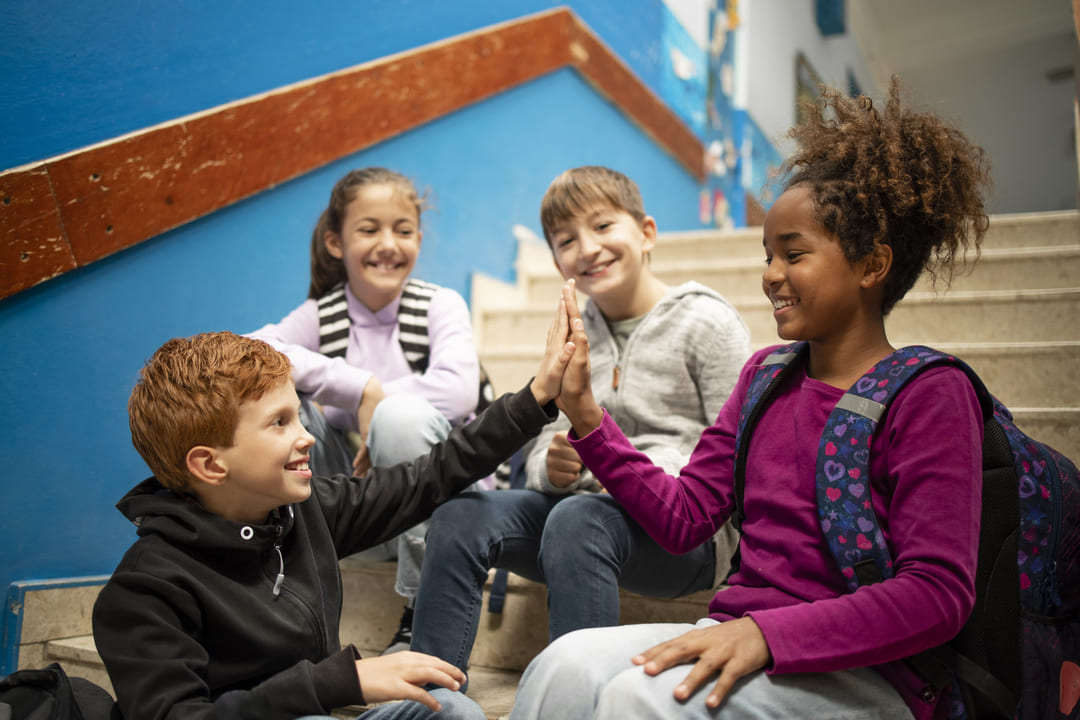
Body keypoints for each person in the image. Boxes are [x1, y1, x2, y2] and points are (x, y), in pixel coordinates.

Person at [509, 79, 992, 720]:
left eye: (794, 254)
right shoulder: (764, 378)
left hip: (869, 672)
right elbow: (684, 519)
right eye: (768, 255)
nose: (769, 274)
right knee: (560, 668)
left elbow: (937, 595)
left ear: (872, 265)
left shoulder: (931, 393)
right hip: (737, 637)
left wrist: (768, 635)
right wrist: (589, 420)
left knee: (635, 701)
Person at [92, 317, 577, 720]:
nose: (306, 438)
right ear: (211, 464)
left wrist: (535, 399)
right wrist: (337, 682)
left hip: (320, 708)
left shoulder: (301, 514)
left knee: (449, 708)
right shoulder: (144, 590)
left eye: (299, 416)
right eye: (280, 423)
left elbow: (428, 476)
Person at [410, 166, 751, 673]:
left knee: (577, 518)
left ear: (647, 233)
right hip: (587, 515)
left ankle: (579, 699)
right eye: (567, 240)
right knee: (459, 516)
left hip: (686, 537)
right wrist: (554, 466)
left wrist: (616, 467)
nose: (588, 248)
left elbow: (736, 458)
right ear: (556, 260)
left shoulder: (708, 323)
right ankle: (427, 693)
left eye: (604, 226)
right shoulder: (570, 330)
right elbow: (544, 451)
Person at [248, 167, 481, 653]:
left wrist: (381, 411)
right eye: (368, 229)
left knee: (400, 419)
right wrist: (359, 390)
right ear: (336, 242)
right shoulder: (322, 316)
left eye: (402, 230)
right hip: (358, 510)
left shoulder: (440, 305)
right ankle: (284, 581)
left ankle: (424, 608)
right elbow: (250, 350)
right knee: (279, 404)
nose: (388, 244)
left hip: (439, 511)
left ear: (418, 238)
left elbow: (460, 394)